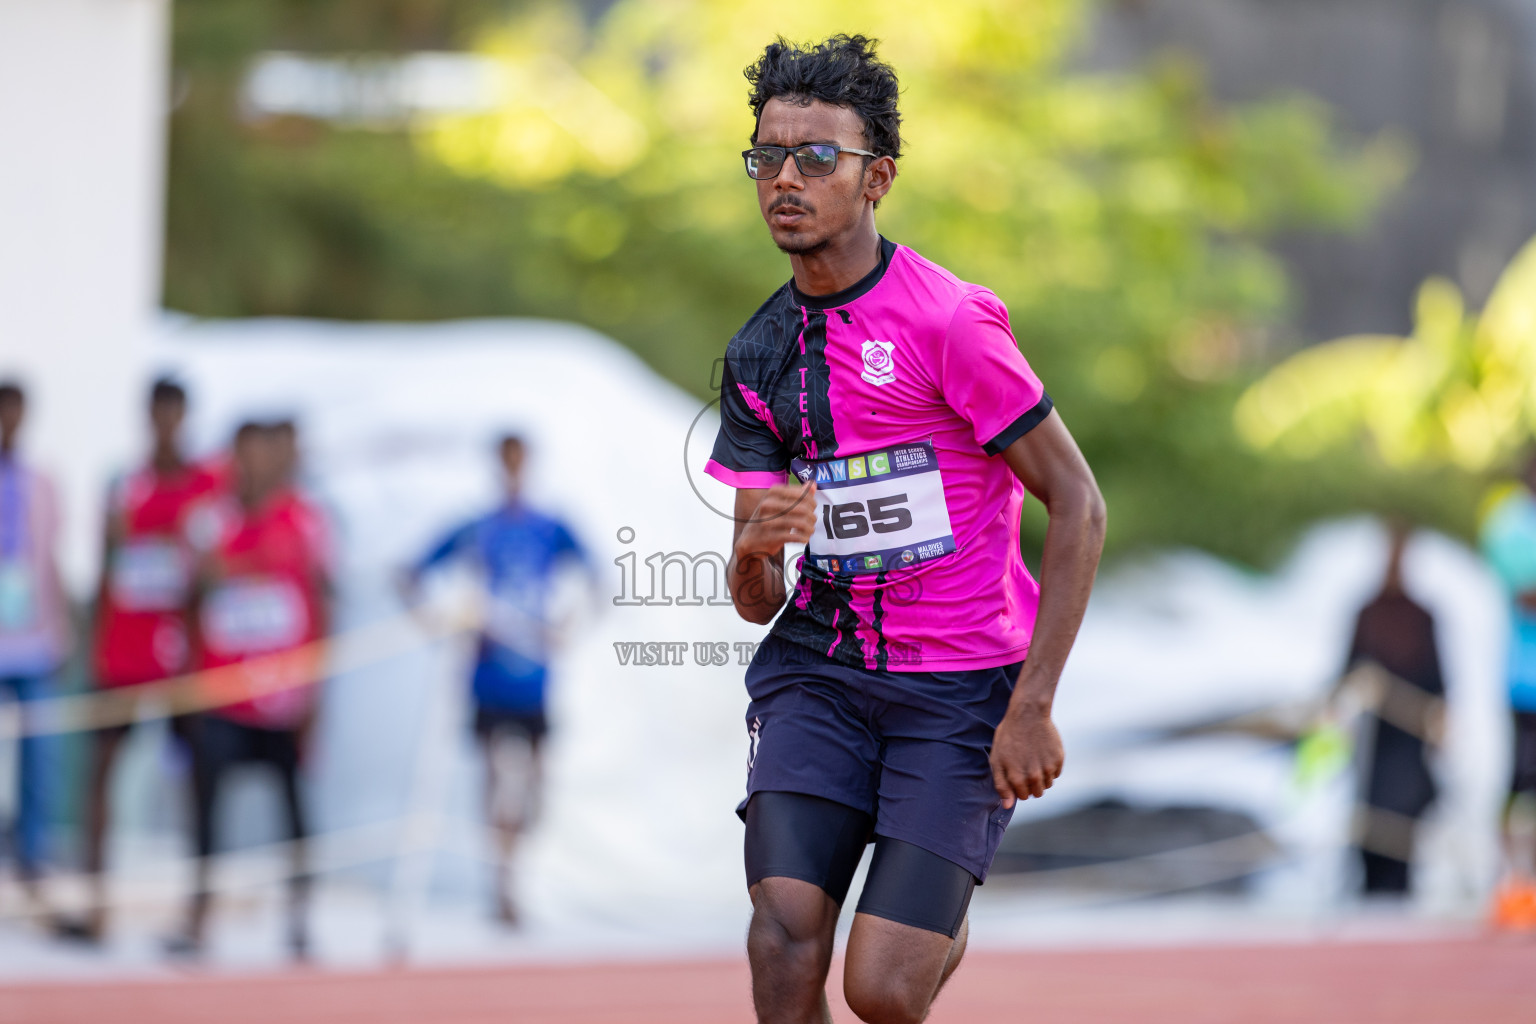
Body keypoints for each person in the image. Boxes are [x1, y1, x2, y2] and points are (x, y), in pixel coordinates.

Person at [706, 38, 1106, 1024]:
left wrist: (1032, 705)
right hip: (821, 673)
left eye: (817, 158)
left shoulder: (950, 324)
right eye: (767, 157)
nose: (786, 180)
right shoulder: (759, 356)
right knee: (783, 924)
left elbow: (1080, 505)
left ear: (877, 176)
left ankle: (932, 918)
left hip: (962, 688)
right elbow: (754, 597)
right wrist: (758, 549)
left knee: (882, 990)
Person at [54, 379, 221, 943]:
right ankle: (97, 904)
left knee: (197, 780)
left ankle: (198, 911)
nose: (165, 424)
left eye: (174, 413)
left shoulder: (209, 485)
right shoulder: (125, 483)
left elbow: (216, 563)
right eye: (157, 414)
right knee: (101, 770)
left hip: (183, 656)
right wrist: (92, 644)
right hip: (124, 651)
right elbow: (107, 568)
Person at [402, 435, 586, 926]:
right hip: (489, 675)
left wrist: (567, 623)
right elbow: (410, 571)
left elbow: (596, 576)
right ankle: (502, 884)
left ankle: (515, 865)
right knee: (493, 779)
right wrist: (438, 622)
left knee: (536, 785)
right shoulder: (477, 529)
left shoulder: (549, 527)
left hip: (534, 677)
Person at [169, 421, 333, 959]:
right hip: (221, 693)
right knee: (207, 807)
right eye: (246, 455)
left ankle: (301, 918)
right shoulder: (209, 521)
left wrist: (317, 692)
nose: (256, 465)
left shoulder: (305, 520)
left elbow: (322, 602)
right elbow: (189, 600)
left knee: (294, 812)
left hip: (283, 699)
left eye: (266, 454)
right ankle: (200, 916)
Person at [1335, 522, 1444, 897]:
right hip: (1373, 742)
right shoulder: (1367, 613)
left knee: (1405, 819)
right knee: (1371, 820)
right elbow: (1347, 672)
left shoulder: (1423, 616)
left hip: (1408, 741)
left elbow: (1438, 680)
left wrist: (1437, 722)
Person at [0, 381, 70, 906]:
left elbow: (51, 560)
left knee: (40, 753)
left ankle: (32, 849)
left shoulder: (41, 481)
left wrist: (61, 630)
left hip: (33, 639)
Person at [1480, 452, 1536, 930]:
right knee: (1517, 783)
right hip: (1525, 682)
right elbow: (1524, 592)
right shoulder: (1510, 523)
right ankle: (1510, 884)